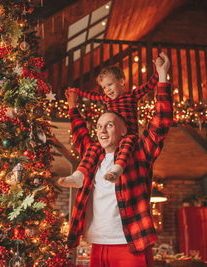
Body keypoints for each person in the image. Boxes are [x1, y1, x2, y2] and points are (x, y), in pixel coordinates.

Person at [59, 53, 173, 266]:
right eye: (99, 126)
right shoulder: (93, 156)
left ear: (122, 130)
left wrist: (162, 76)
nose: (102, 130)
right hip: (96, 244)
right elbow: (80, 132)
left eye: (109, 125)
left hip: (130, 243)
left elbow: (161, 120)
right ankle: (77, 177)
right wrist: (72, 106)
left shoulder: (138, 153)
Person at [58, 54, 167, 188]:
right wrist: (77, 91)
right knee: (94, 147)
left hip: (129, 136)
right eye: (104, 87)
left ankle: (116, 171)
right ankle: (79, 176)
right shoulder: (106, 99)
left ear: (121, 82)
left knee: (126, 144)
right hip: (113, 137)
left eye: (110, 84)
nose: (107, 90)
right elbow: (91, 95)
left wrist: (159, 71)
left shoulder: (131, 96)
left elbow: (149, 85)